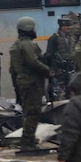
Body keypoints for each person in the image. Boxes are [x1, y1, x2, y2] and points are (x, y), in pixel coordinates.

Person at [9, 17, 52, 151]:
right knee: (33, 113)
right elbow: (33, 62)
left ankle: (28, 140)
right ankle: (28, 143)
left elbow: (12, 70)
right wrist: (48, 72)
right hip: (32, 83)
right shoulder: (27, 45)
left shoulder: (16, 45)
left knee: (27, 113)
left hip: (23, 83)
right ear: (29, 29)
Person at [45, 17, 77, 101]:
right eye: (67, 26)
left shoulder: (72, 37)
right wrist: (54, 69)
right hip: (59, 70)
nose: (69, 28)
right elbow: (50, 55)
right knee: (59, 95)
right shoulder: (54, 38)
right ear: (61, 26)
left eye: (70, 26)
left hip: (70, 69)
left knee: (71, 93)